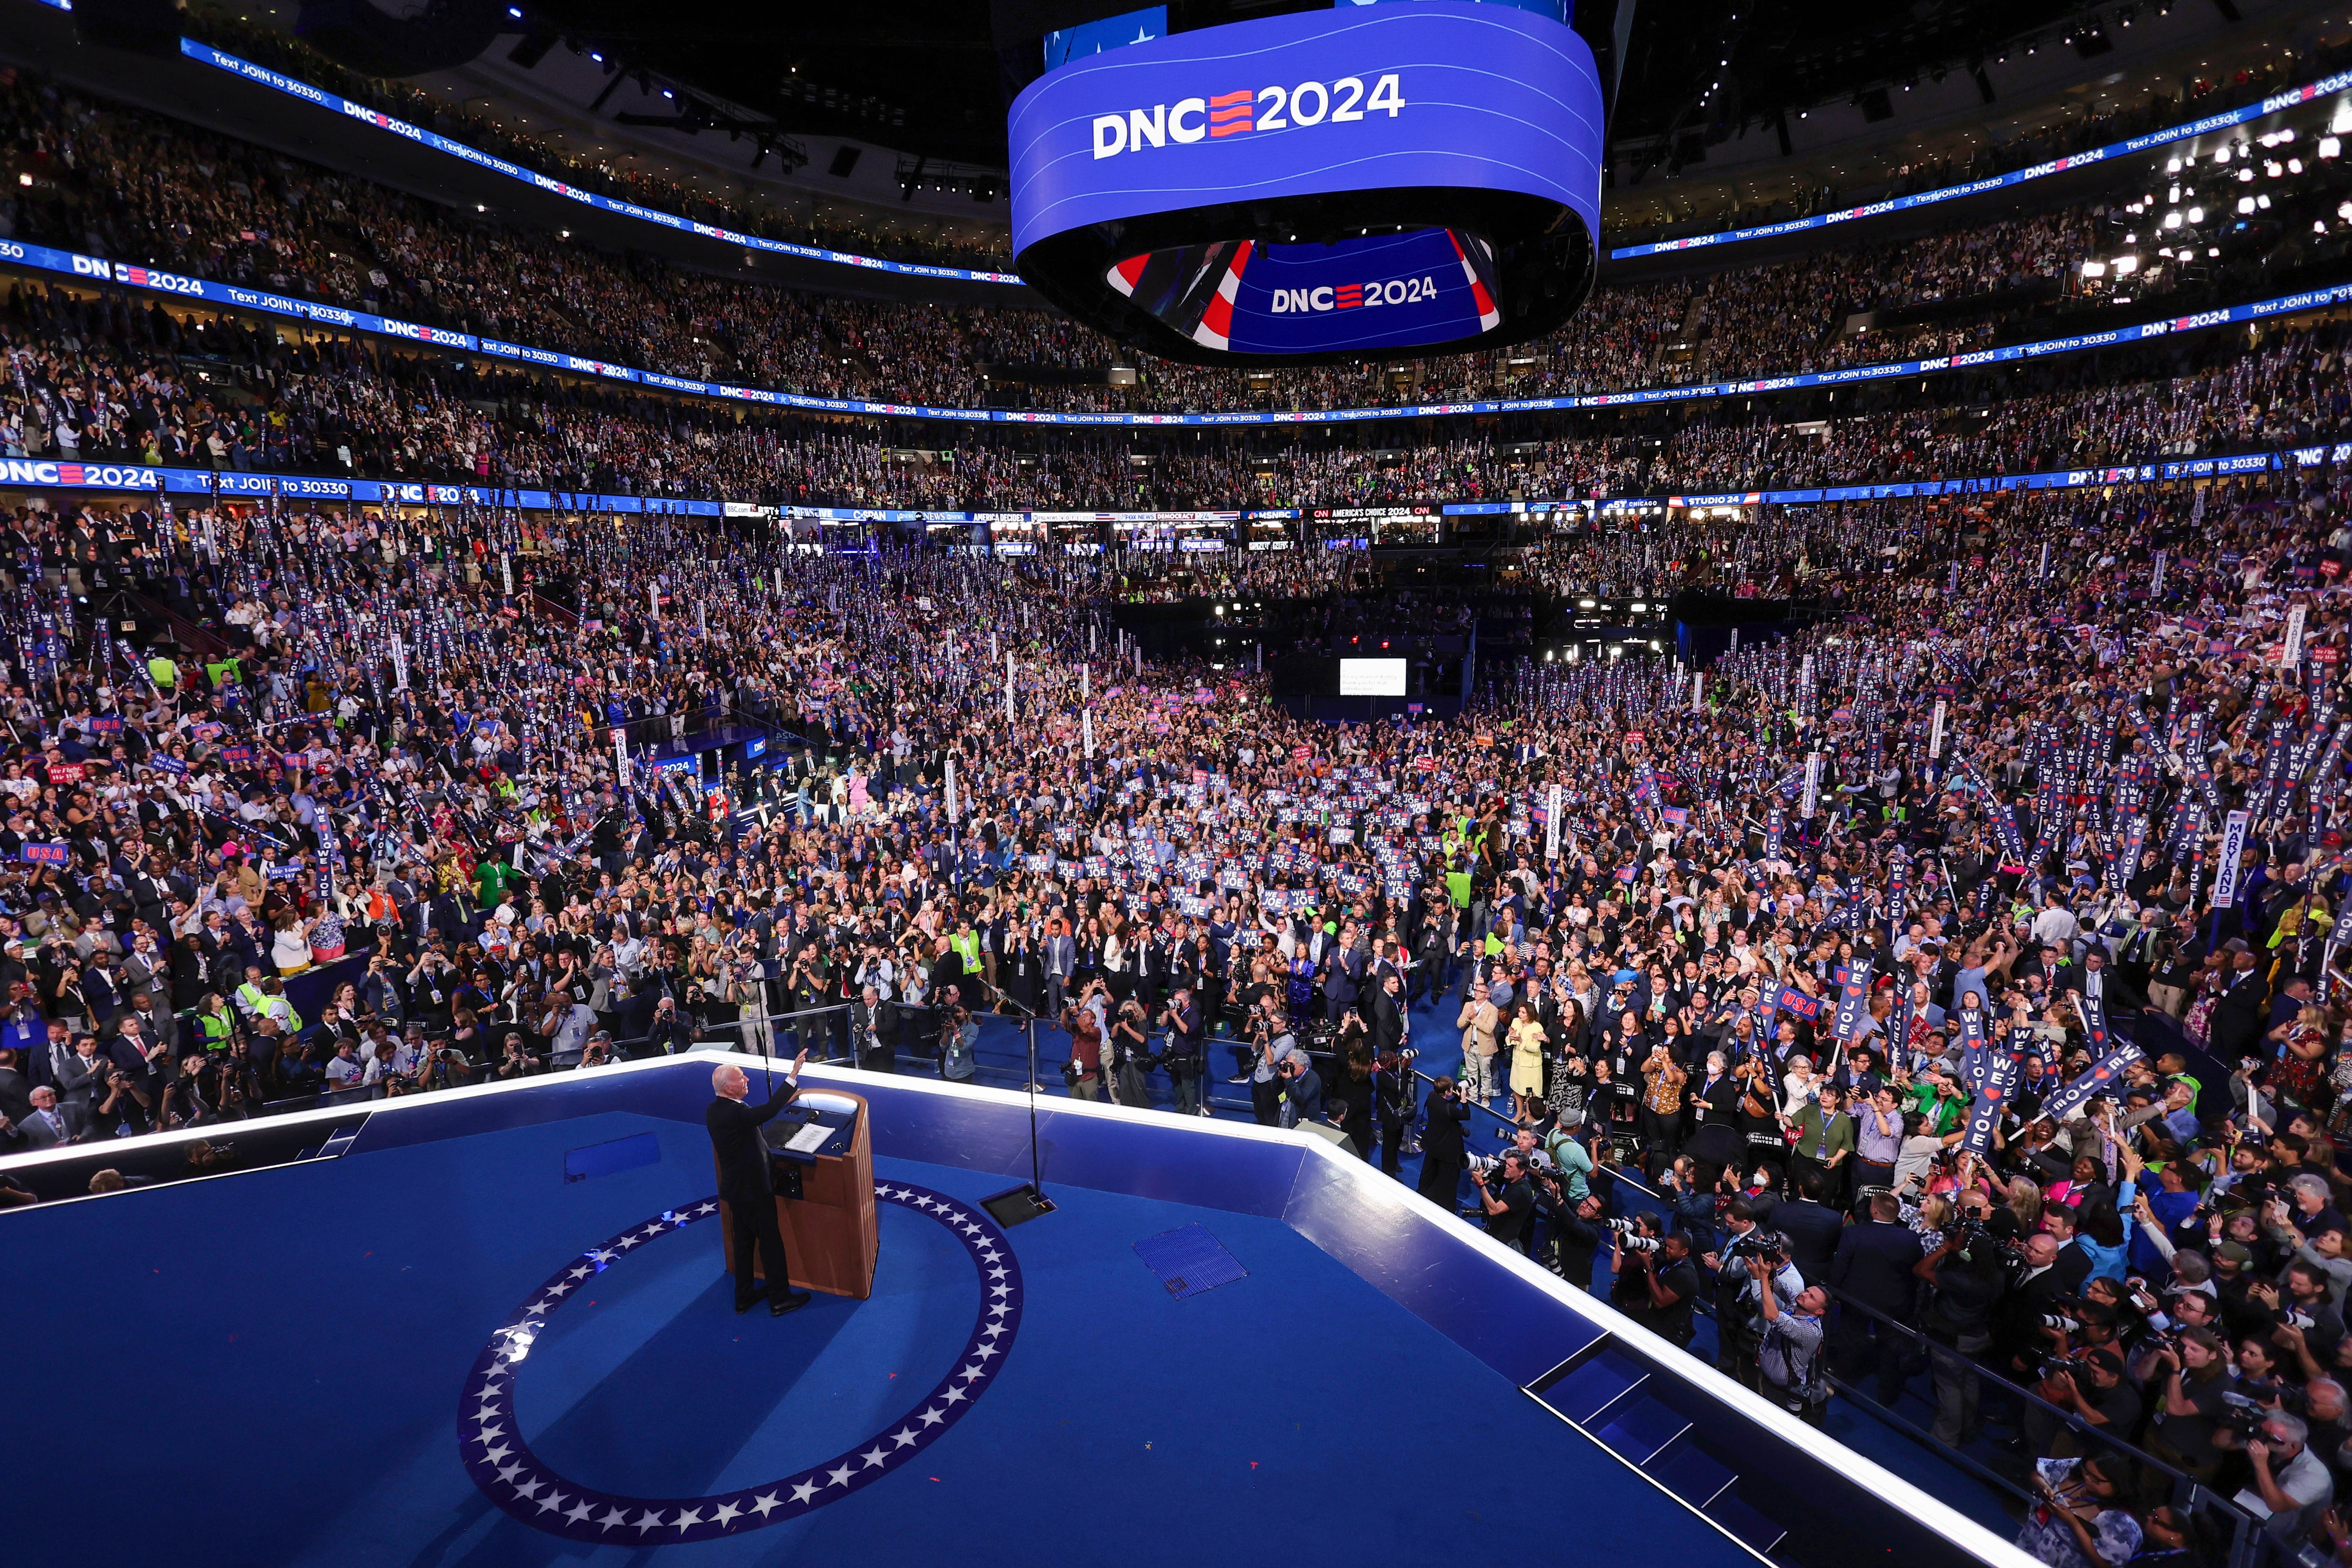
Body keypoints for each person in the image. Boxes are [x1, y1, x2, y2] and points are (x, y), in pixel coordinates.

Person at [706, 1056, 813, 1318]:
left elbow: (754, 1119)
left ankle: (743, 1297)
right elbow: (765, 1112)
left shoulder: (714, 1109)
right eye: (741, 1078)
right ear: (729, 1088)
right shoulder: (737, 1113)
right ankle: (780, 1299)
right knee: (771, 1243)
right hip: (754, 1191)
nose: (747, 1080)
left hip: (736, 1190)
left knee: (744, 1243)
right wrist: (793, 1075)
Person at [1752, 1253, 1831, 1424]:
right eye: (1807, 1291)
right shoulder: (1796, 1303)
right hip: (1767, 1379)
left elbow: (1772, 1315)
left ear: (1819, 1312)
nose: (1804, 1295)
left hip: (1784, 1392)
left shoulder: (1811, 1331)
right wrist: (1769, 1259)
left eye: (1811, 1297)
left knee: (1777, 1428)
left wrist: (1764, 1276)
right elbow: (1778, 1285)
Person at [1417, 1075, 1470, 1211]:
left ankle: (1423, 1195)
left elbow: (1447, 1108)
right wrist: (1463, 1100)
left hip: (1433, 1144)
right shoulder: (1448, 1109)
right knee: (1448, 1180)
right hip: (1448, 1149)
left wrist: (1456, 1099)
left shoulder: (1431, 1096)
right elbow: (1466, 1115)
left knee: (1430, 1172)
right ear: (1447, 1092)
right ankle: (1446, 1208)